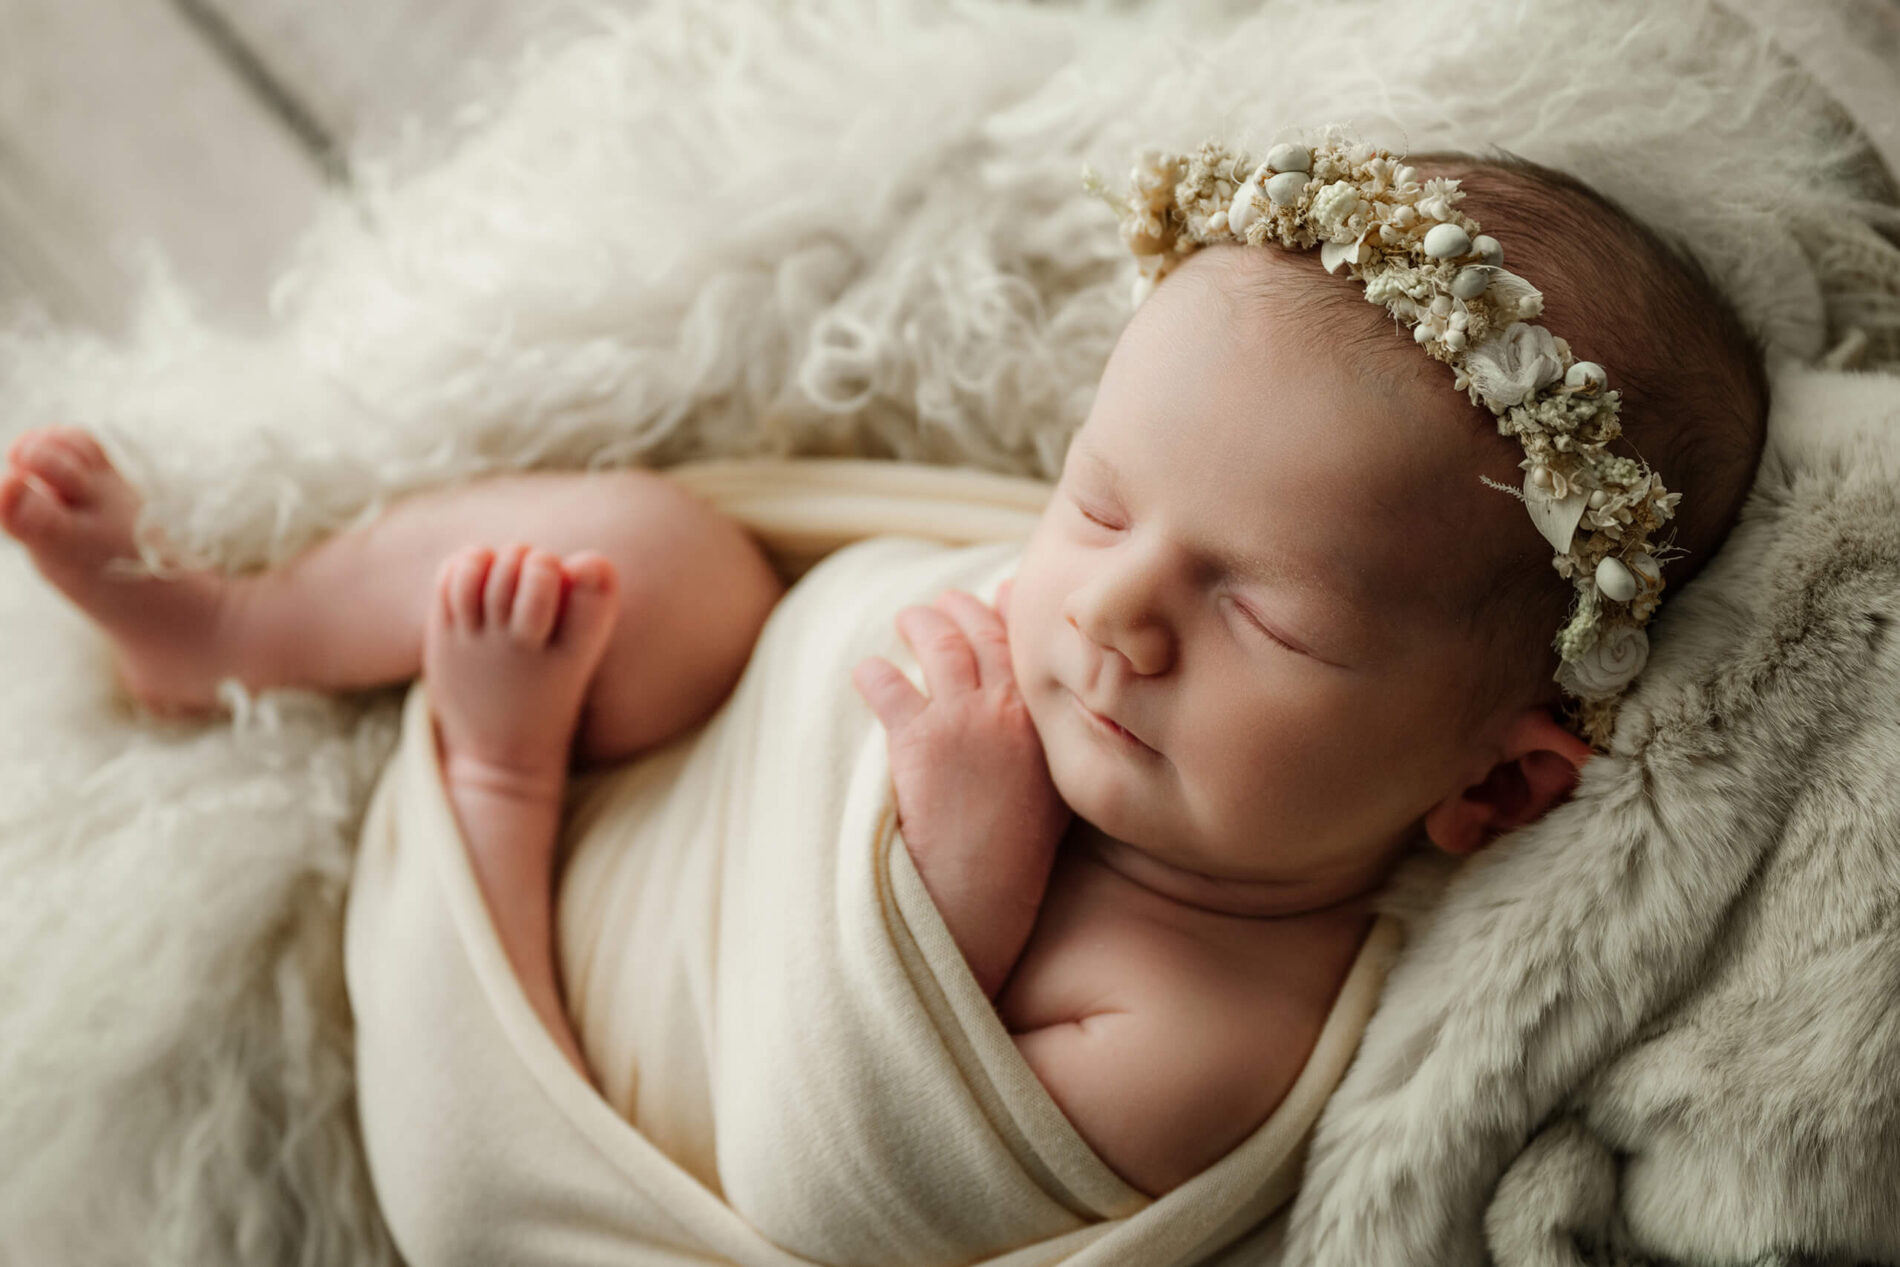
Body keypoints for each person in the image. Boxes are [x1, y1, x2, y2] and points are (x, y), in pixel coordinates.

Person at [0, 132, 1766, 1201]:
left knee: (560, 681)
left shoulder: (1213, 1027)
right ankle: (235, 631)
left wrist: (958, 864)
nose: (1110, 613)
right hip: (727, 728)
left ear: (1495, 781)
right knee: (655, 552)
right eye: (1095, 500)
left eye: (1266, 617)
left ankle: (479, 785)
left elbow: (826, 1176)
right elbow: (844, 604)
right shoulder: (1113, 633)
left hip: (594, 1010)